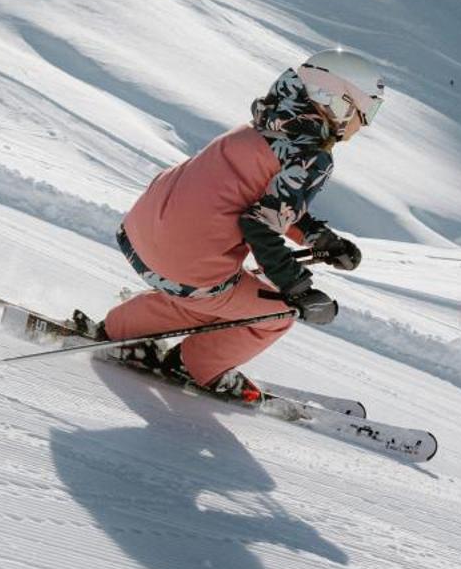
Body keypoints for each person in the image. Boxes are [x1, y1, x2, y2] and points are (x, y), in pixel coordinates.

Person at [77, 48, 383, 402]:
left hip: (142, 234)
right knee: (275, 313)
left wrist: (320, 239)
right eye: (366, 110)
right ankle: (194, 366)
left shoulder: (263, 127)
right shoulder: (310, 155)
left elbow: (261, 200)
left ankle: (120, 329)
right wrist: (298, 292)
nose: (365, 123)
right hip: (188, 264)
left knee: (210, 294)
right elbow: (260, 224)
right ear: (337, 101)